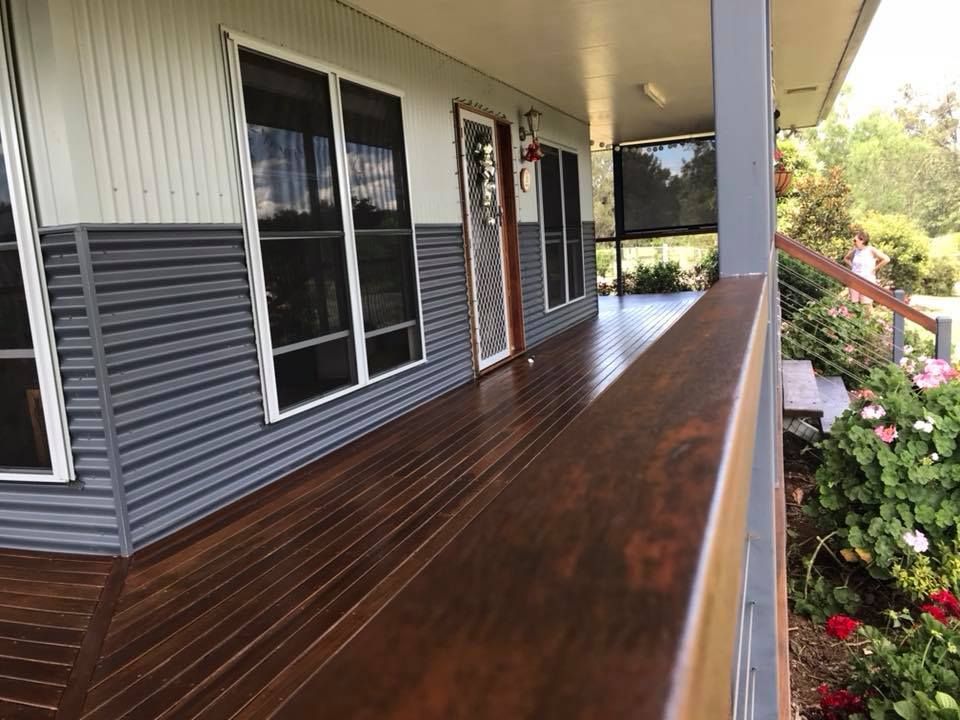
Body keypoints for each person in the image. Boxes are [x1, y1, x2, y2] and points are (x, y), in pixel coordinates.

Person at [843, 228, 889, 304]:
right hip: (854, 279)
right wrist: (852, 266)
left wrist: (874, 269)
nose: (854, 242)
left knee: (866, 304)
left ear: (862, 240)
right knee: (853, 304)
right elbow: (846, 258)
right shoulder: (855, 250)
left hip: (867, 280)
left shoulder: (871, 250)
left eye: (855, 240)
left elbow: (886, 259)